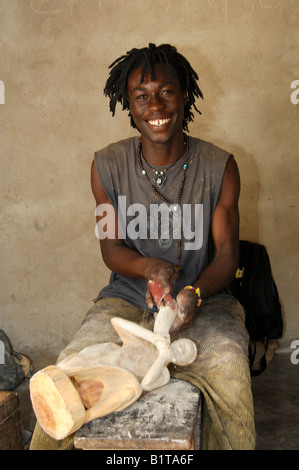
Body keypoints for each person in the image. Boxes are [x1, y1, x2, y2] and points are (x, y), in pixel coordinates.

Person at [30, 43, 255, 450]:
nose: (156, 105)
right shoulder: (105, 167)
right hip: (126, 300)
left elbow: (227, 256)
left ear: (184, 95)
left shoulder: (220, 166)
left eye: (166, 91)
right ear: (128, 104)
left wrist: (194, 293)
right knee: (64, 378)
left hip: (205, 300)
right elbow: (110, 249)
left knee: (232, 377)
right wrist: (150, 269)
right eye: (141, 96)